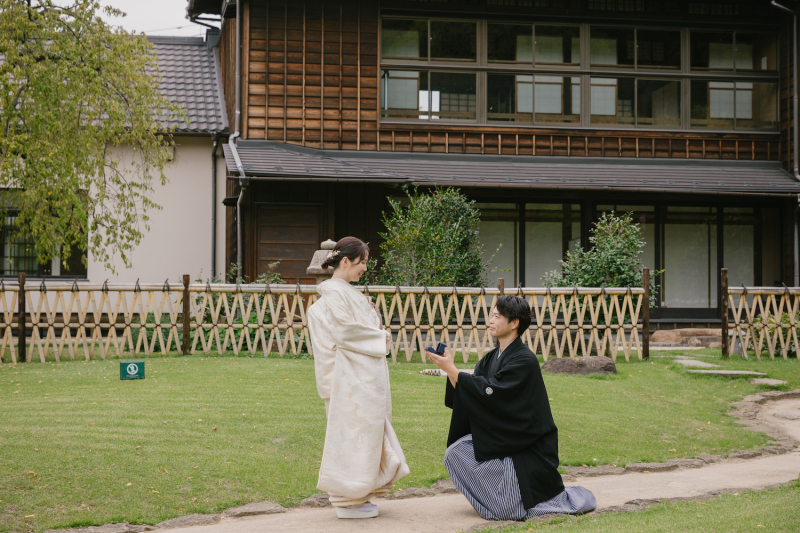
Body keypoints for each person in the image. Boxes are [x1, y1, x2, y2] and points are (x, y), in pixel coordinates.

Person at [426, 295, 596, 521]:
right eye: (492, 315)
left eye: (497, 316)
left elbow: (494, 396)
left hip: (527, 450)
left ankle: (508, 503)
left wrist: (453, 370)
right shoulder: (488, 360)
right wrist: (450, 370)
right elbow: (476, 395)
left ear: (514, 323)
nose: (491, 320)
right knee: (455, 453)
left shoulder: (525, 360)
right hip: (505, 441)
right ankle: (497, 503)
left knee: (506, 507)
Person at [306, 237, 410, 519]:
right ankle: (348, 497)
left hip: (359, 375)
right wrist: (380, 336)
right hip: (350, 378)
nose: (365, 267)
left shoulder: (345, 292)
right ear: (345, 261)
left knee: (363, 434)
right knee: (353, 436)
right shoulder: (335, 293)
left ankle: (357, 494)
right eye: (361, 262)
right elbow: (345, 332)